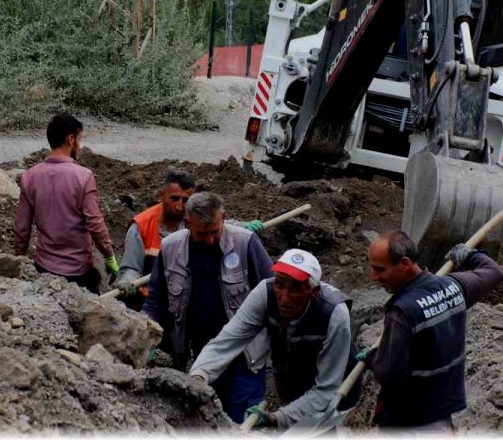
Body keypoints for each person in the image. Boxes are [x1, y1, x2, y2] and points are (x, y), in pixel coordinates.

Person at [189, 249, 358, 429]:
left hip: (337, 395)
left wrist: (276, 418)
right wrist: (197, 378)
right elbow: (226, 341)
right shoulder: (265, 293)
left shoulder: (333, 313)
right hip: (293, 383)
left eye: (295, 289)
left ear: (314, 291)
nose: (284, 298)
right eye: (280, 284)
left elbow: (327, 390)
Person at [143, 191, 272, 423]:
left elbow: (273, 296)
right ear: (187, 224)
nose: (211, 240)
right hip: (200, 354)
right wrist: (145, 334)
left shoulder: (245, 243)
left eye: (215, 231)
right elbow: (156, 300)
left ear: (224, 217)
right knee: (207, 420)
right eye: (202, 234)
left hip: (244, 355)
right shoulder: (172, 248)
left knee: (240, 420)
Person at [358, 231, 503, 431]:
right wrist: (470, 255)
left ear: (405, 264)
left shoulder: (403, 313)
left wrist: (374, 357)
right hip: (442, 416)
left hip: (409, 421)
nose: (373, 276)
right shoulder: (453, 287)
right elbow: (493, 272)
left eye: (379, 269)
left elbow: (390, 375)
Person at [14, 112, 118, 294]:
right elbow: (95, 224)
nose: (80, 145)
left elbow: (22, 227)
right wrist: (109, 256)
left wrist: (18, 259)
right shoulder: (84, 177)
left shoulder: (30, 176)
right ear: (71, 140)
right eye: (80, 139)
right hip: (79, 272)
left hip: (43, 269)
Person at [115, 169, 197, 310]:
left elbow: (218, 226)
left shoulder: (194, 222)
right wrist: (129, 280)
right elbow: (131, 267)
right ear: (161, 195)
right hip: (147, 303)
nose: (179, 207)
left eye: (186, 200)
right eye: (174, 198)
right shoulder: (141, 226)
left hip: (182, 301)